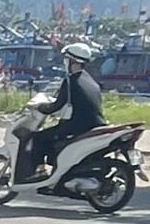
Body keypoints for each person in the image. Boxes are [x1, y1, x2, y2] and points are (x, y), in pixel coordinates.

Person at [35, 41, 105, 185]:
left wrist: (40, 107)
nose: (64, 62)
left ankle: (40, 173)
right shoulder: (91, 81)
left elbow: (56, 106)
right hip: (96, 124)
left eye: (66, 59)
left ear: (72, 61)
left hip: (78, 125)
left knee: (39, 138)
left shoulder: (71, 81)